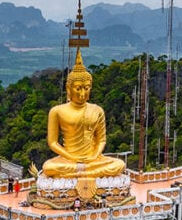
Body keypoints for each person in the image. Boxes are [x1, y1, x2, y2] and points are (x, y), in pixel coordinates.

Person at [41, 48, 126, 179]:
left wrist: (94, 155)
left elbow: (101, 140)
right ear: (68, 89)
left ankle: (83, 173)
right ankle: (87, 173)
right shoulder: (57, 111)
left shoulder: (97, 110)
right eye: (78, 88)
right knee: (48, 167)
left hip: (93, 159)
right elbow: (52, 142)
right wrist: (72, 157)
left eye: (86, 88)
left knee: (119, 164)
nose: (82, 94)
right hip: (69, 159)